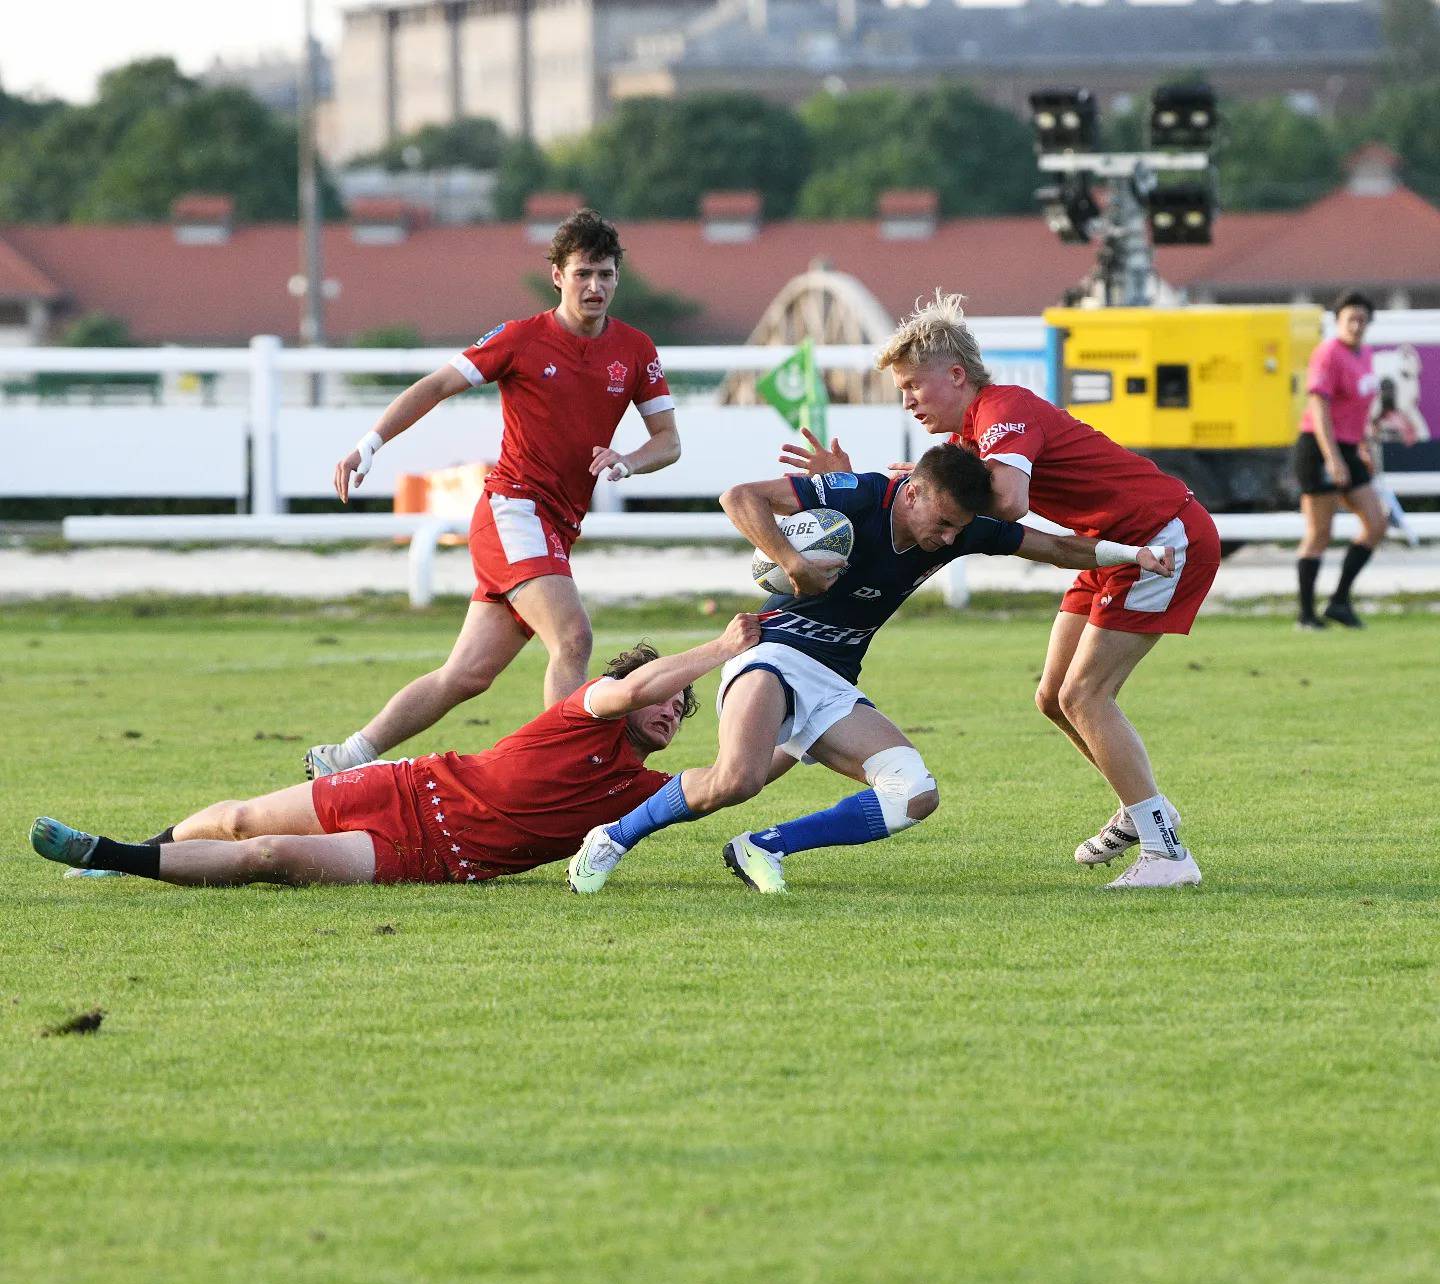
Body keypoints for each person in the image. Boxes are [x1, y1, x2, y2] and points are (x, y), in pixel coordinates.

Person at [565, 444, 1176, 896]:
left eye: (958, 529)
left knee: (914, 794)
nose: (946, 539)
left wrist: (1133, 555)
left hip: (833, 680)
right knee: (737, 780)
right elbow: (739, 497)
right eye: (940, 523)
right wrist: (792, 562)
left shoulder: (959, 531)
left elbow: (1055, 547)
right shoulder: (858, 495)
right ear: (911, 491)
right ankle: (612, 837)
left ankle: (763, 846)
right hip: (772, 654)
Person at [782, 292, 1219, 888]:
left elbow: (1009, 502)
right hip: (1111, 543)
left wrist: (931, 488)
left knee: (1086, 696)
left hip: (1161, 539)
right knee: (1053, 697)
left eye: (914, 385)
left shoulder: (1001, 408)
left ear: (956, 374)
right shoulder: (968, 440)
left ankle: (1168, 855)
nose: (907, 400)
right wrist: (850, 479)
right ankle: (1148, 813)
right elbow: (924, 492)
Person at [303, 208, 680, 778]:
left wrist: (628, 462)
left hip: (557, 525)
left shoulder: (635, 349)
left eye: (605, 274)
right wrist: (369, 444)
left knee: (467, 675)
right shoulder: (521, 338)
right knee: (573, 636)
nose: (595, 286)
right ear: (557, 275)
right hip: (513, 510)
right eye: (583, 274)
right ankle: (566, 775)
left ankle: (344, 756)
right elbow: (435, 386)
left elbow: (669, 441)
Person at [30, 617, 759, 889]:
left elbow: (730, 780)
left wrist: (783, 707)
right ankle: (137, 852)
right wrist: (721, 648)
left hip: (432, 860)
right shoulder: (586, 711)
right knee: (245, 817)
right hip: (407, 788)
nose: (673, 708)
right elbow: (629, 692)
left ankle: (112, 856)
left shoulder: (645, 790)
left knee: (268, 858)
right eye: (667, 695)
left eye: (683, 710)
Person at [1292, 290, 1387, 630]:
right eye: (1351, 319)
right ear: (1338, 321)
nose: (1357, 325)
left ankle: (1339, 601)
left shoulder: (1364, 355)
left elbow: (1357, 409)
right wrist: (1332, 458)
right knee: (1320, 532)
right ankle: (1305, 615)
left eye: (1363, 319)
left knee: (1376, 522)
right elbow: (1319, 408)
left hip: (1348, 447)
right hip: (1319, 448)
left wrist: (1360, 447)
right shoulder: (1328, 354)